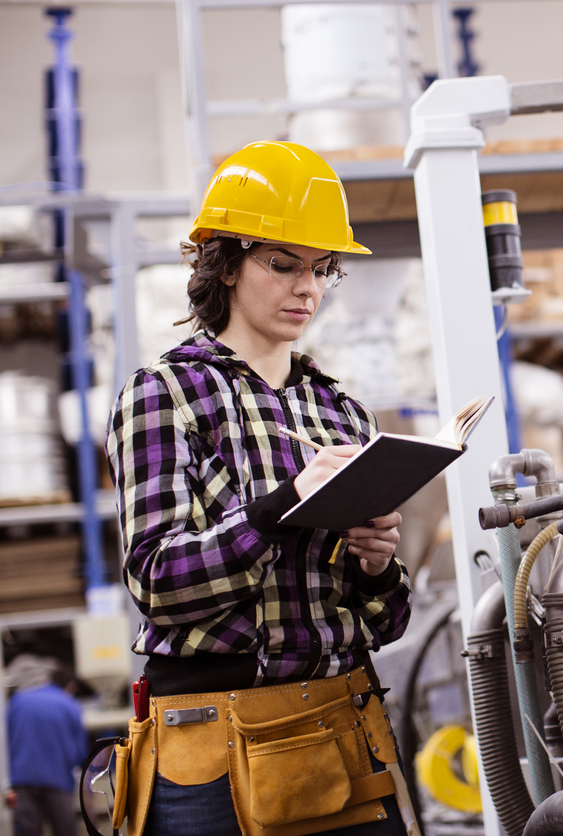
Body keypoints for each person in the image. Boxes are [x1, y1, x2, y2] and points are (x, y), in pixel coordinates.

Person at [105, 141, 415, 836]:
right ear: (224, 263)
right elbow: (158, 582)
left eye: (322, 269)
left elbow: (388, 624)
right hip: (210, 748)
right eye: (282, 265)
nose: (307, 288)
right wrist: (280, 509)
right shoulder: (165, 396)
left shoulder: (343, 412)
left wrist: (375, 566)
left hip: (344, 726)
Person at [6, 665, 87, 836]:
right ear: (70, 687)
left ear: (47, 680)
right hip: (58, 781)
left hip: (22, 780)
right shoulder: (70, 704)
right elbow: (81, 752)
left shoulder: (19, 699)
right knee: (65, 830)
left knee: (26, 832)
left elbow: (6, 739)